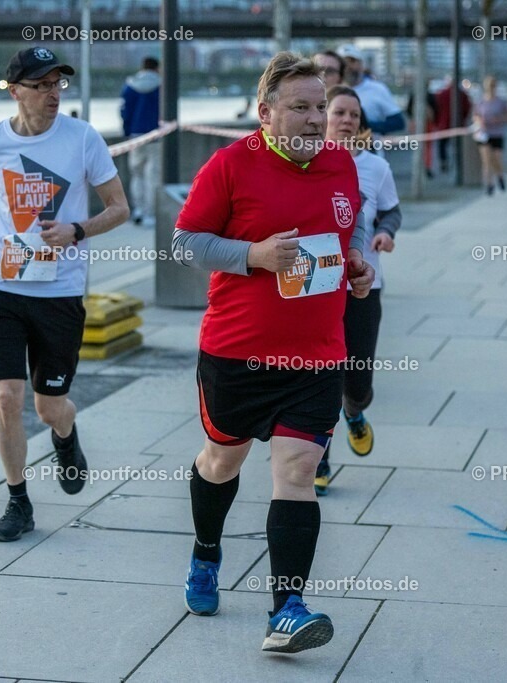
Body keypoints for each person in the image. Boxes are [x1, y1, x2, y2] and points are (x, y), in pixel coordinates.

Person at [171, 52, 374, 654]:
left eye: (321, 108)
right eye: (301, 108)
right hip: (238, 352)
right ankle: (206, 553)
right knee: (221, 462)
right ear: (265, 114)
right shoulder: (232, 165)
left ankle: (287, 609)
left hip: (316, 354)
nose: (317, 120)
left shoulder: (342, 162)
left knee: (296, 471)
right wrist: (252, 256)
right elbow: (185, 242)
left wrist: (356, 267)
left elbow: (344, 235)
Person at [0, 46, 130, 542]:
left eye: (58, 84)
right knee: (7, 398)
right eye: (42, 84)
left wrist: (78, 229)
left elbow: (119, 208)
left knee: (50, 407)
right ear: (15, 90)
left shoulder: (82, 137)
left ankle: (66, 438)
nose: (53, 93)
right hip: (2, 285)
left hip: (59, 289)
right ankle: (17, 501)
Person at [314, 85, 401, 496]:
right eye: (339, 113)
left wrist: (384, 232)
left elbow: (391, 210)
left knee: (357, 380)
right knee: (322, 376)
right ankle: (320, 458)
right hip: (317, 288)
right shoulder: (306, 163)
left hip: (365, 285)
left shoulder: (375, 167)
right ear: (322, 117)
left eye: (354, 114)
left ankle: (355, 411)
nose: (347, 120)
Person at [120, 56, 161, 226]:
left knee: (137, 174)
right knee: (153, 176)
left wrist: (127, 131)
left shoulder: (130, 86)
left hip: (135, 136)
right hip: (156, 137)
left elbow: (124, 111)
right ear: (156, 68)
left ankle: (138, 209)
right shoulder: (161, 86)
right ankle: (150, 214)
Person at [337, 44, 405, 140]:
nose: (348, 66)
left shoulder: (378, 89)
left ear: (361, 64)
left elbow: (398, 122)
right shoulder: (332, 89)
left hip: (370, 149)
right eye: (343, 62)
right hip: (336, 150)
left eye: (352, 61)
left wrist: (364, 125)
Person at [473, 75, 507, 195]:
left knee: (497, 158)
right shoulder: (481, 102)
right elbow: (475, 115)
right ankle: (489, 184)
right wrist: (480, 122)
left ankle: (500, 175)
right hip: (484, 134)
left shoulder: (500, 102)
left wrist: (499, 119)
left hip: (497, 133)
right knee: (487, 159)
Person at [435, 78, 472, 173]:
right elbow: (467, 108)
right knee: (458, 145)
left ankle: (444, 162)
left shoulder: (442, 94)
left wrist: (438, 121)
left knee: (442, 145)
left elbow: (436, 108)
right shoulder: (462, 95)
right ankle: (459, 162)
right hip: (458, 124)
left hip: (444, 124)